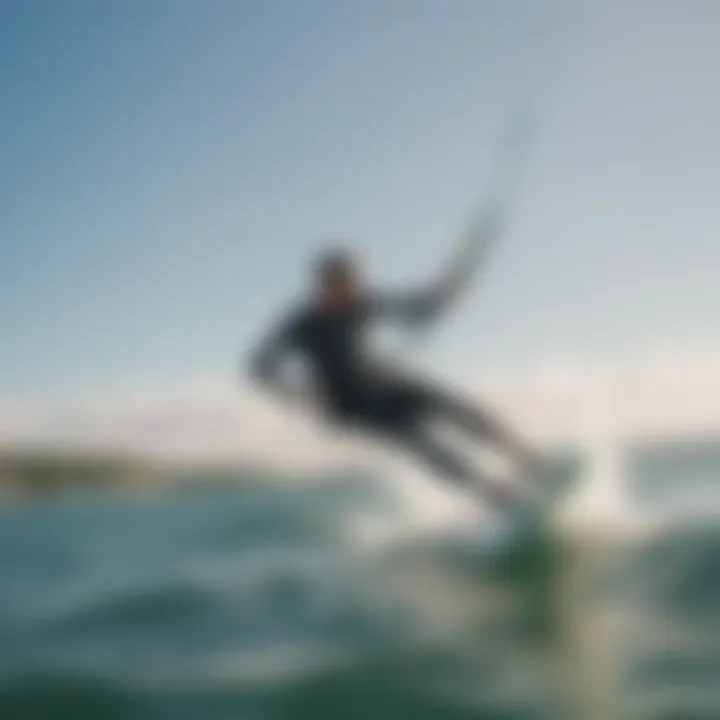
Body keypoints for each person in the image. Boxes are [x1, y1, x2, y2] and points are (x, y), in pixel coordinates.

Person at [246, 247, 536, 509]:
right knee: (422, 442)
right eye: (344, 284)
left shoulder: (360, 304)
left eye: (354, 282)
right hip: (348, 406)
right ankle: (492, 496)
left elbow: (418, 310)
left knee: (454, 408)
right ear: (324, 287)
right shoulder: (302, 322)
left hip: (381, 383)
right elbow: (259, 367)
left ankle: (526, 459)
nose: (352, 290)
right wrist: (296, 392)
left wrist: (447, 291)